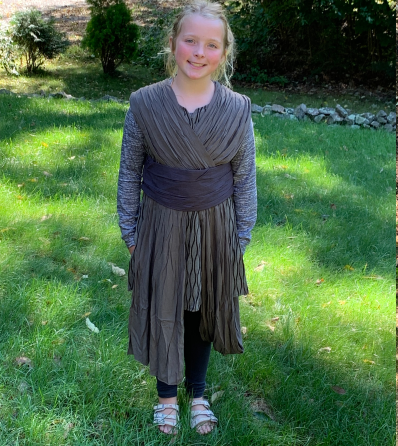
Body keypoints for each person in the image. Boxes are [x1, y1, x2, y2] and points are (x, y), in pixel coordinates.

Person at [116, 0, 256, 435]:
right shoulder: (144, 104)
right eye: (190, 40)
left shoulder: (237, 109)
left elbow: (244, 177)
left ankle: (197, 393)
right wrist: (132, 232)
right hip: (161, 224)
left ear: (224, 53)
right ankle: (166, 398)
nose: (199, 52)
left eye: (211, 44)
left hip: (216, 229)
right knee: (166, 306)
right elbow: (129, 172)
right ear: (173, 43)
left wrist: (241, 236)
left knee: (200, 311)